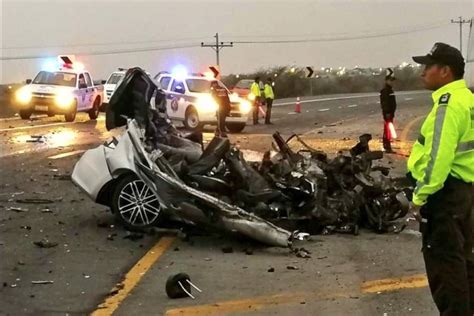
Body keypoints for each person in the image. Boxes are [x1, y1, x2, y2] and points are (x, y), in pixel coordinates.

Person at [408, 42, 474, 315]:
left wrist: (419, 197)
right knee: (465, 266)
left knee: (446, 270)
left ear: (445, 71)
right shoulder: (468, 99)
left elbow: (437, 160)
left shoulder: (447, 106)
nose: (423, 72)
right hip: (466, 195)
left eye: (428, 66)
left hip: (445, 198)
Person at [379, 68, 397, 152]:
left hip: (390, 113)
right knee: (387, 130)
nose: (392, 82)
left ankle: (387, 145)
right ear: (386, 80)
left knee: (388, 129)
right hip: (388, 113)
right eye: (391, 80)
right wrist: (387, 112)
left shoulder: (389, 89)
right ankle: (386, 146)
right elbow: (385, 103)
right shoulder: (386, 90)